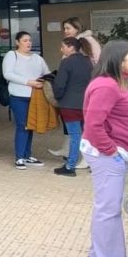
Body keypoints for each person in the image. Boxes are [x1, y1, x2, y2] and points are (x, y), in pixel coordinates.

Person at [81, 40, 128, 257]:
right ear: (118, 60)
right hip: (108, 154)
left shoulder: (112, 84)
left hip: (111, 152)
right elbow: (94, 125)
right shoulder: (107, 86)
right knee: (109, 209)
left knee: (105, 207)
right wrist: (112, 152)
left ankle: (99, 253)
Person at [2, 32, 49, 168]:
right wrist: (28, 82)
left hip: (35, 96)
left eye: (30, 40)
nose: (28, 43)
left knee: (31, 125)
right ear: (17, 42)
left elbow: (46, 73)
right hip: (19, 96)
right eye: (25, 40)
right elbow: (8, 74)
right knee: (22, 125)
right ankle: (20, 157)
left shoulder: (37, 58)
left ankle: (27, 155)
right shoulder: (12, 55)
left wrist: (44, 81)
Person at [52, 37, 95, 176]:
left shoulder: (66, 62)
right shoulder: (88, 61)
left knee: (75, 135)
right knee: (87, 135)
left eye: (63, 46)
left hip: (69, 104)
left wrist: (57, 97)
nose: (61, 49)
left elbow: (59, 84)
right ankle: (93, 163)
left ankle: (70, 166)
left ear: (71, 47)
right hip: (86, 104)